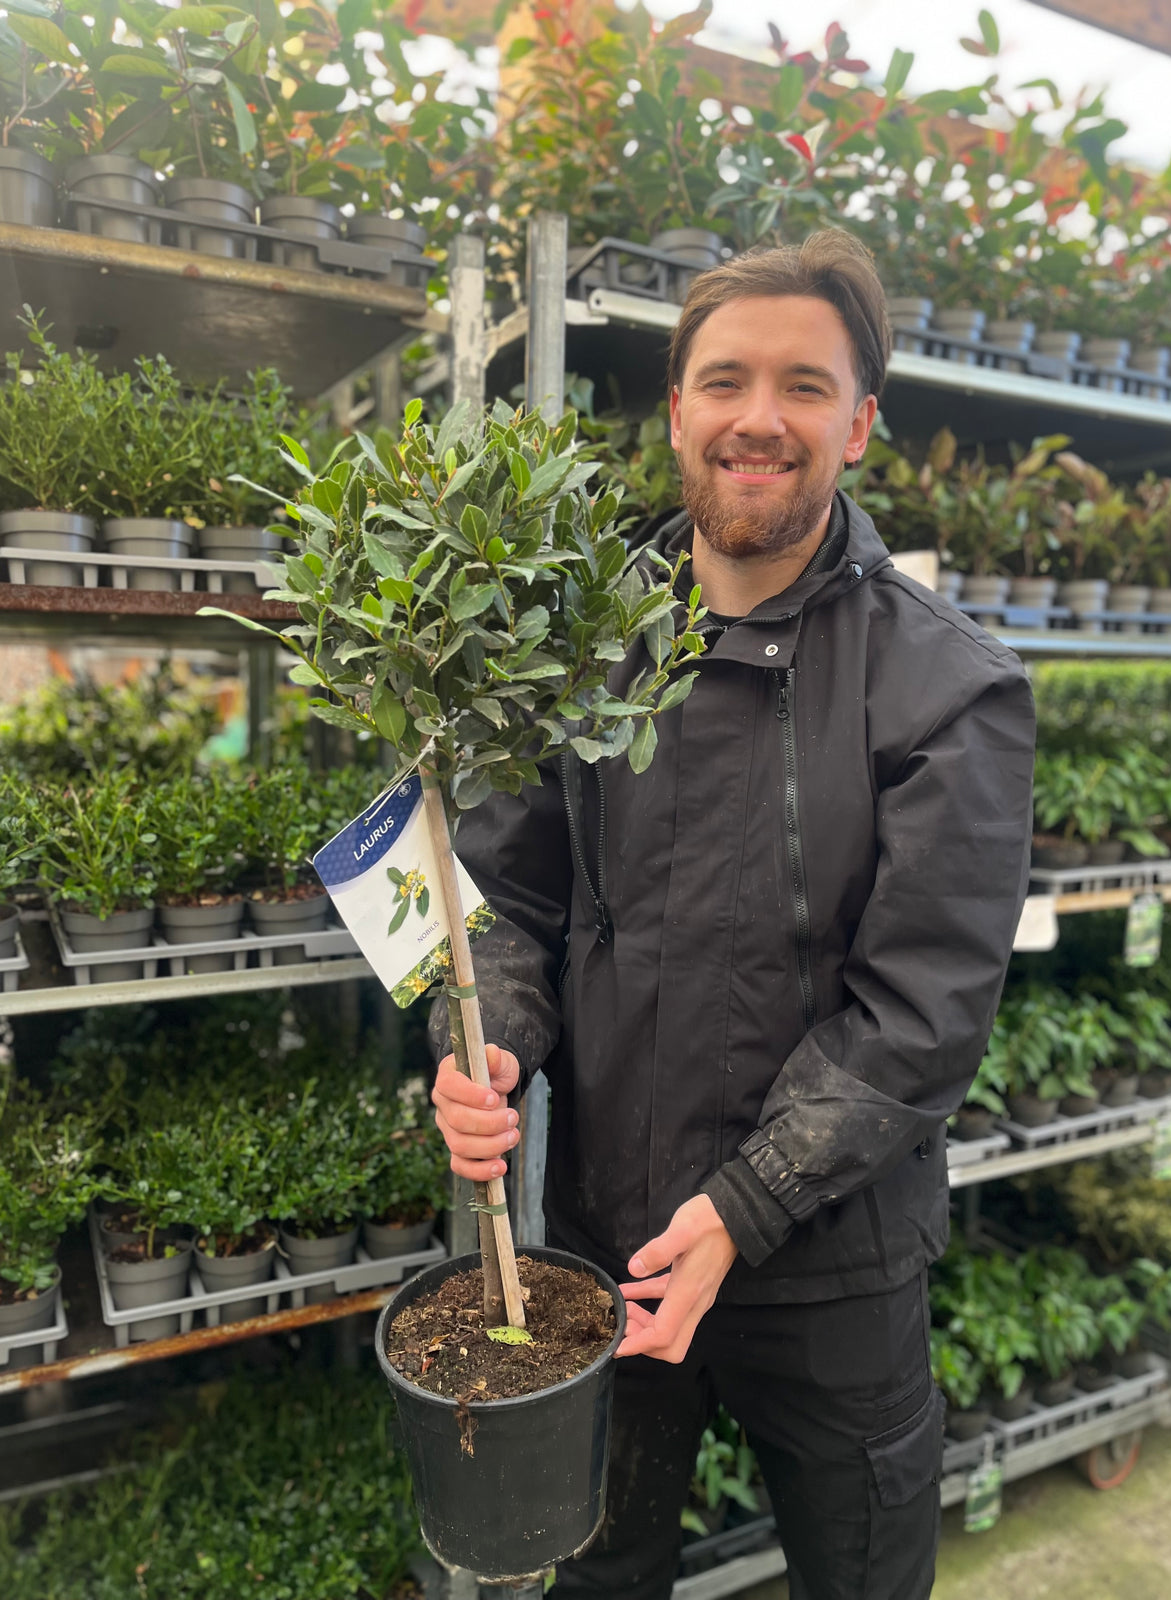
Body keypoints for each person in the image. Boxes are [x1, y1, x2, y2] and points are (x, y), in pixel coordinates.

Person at [430, 228, 1035, 1600]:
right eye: (727, 381)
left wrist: (742, 1204)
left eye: (807, 386)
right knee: (600, 1566)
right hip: (603, 1242)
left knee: (862, 1570)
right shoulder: (575, 645)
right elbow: (504, 892)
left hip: (830, 1265)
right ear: (678, 412)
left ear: (862, 425)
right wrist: (495, 1043)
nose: (761, 418)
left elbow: (922, 1013)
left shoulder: (948, 690)